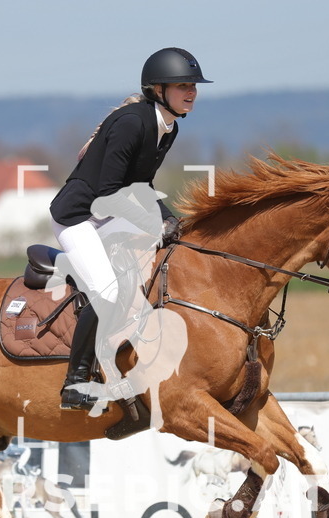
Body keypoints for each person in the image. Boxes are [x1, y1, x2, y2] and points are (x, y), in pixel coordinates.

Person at [49, 47, 212, 411]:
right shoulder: (132, 123)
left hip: (108, 213)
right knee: (105, 291)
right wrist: (155, 221)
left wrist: (172, 220)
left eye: (194, 86)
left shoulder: (167, 126)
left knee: (160, 259)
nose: (191, 92)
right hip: (79, 217)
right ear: (158, 89)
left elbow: (141, 184)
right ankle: (75, 381)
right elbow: (108, 194)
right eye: (183, 85)